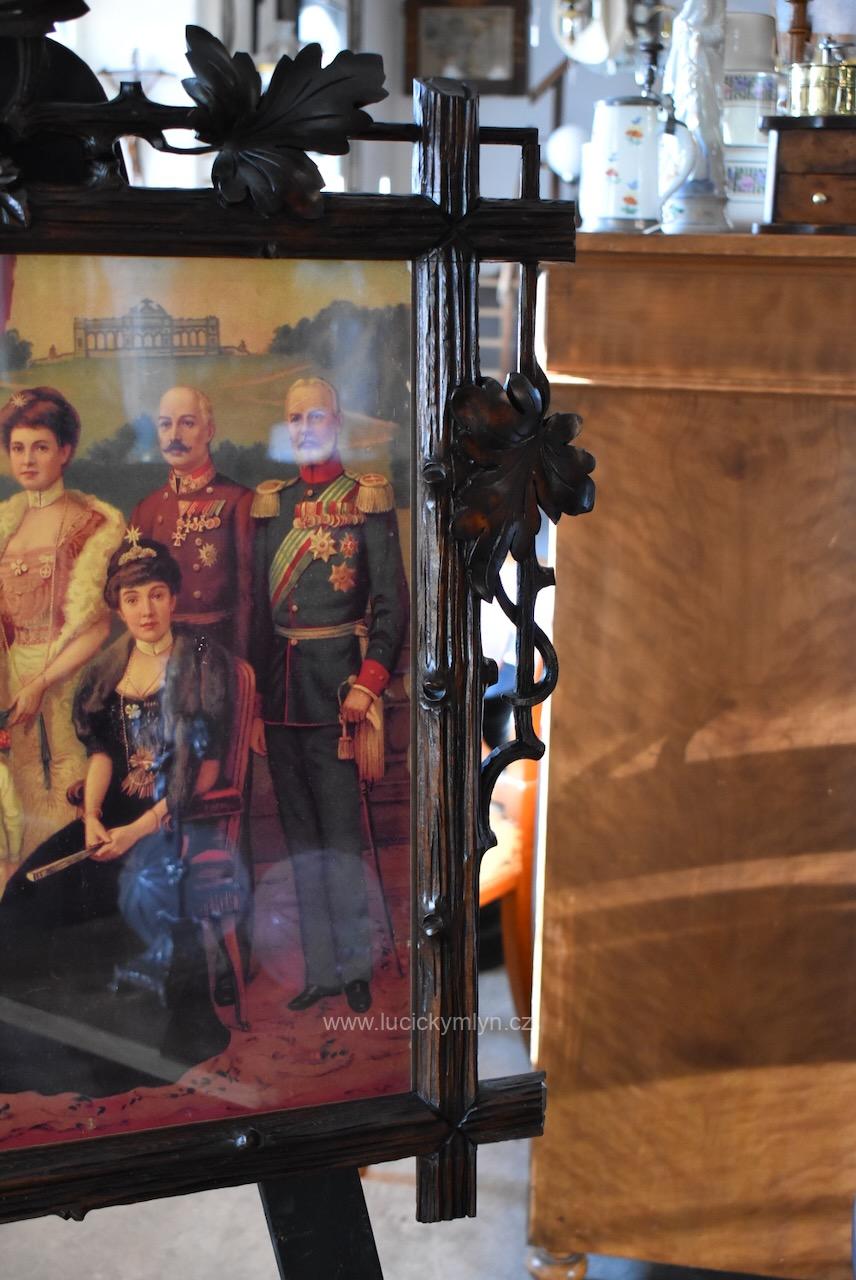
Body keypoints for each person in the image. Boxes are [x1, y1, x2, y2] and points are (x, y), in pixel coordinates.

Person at [0, 536, 237, 1098]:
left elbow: (201, 771)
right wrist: (92, 818)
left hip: (174, 816)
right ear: (118, 606)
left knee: (121, 900)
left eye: (156, 595)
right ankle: (38, 1047)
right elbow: (103, 753)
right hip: (112, 816)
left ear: (173, 597)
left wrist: (136, 831)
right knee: (28, 891)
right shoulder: (110, 664)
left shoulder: (203, 658)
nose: (145, 610)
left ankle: (124, 1052)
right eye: (132, 599)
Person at [251, 377, 408, 1014]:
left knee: (342, 843)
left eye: (316, 415)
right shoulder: (273, 505)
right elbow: (259, 617)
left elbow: (391, 607)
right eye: (295, 418)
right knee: (302, 845)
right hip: (282, 699)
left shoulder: (366, 499)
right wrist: (258, 703)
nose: (305, 427)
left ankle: (355, 967)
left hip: (341, 697)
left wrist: (368, 685)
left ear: (337, 422)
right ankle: (320, 971)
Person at [0, 387, 124, 866]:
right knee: (19, 787)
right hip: (12, 677)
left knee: (73, 779)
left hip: (71, 675)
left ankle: (68, 893)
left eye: (40, 447)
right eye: (17, 448)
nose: (28, 460)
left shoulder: (91, 524)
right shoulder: (6, 523)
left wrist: (43, 681)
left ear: (65, 451)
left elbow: (97, 628)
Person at [130, 385, 254, 657]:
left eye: (187, 423)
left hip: (218, 649)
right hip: (161, 650)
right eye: (165, 425)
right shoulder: (147, 509)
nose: (174, 436)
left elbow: (248, 596)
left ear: (209, 431)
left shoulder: (238, 501)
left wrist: (243, 663)